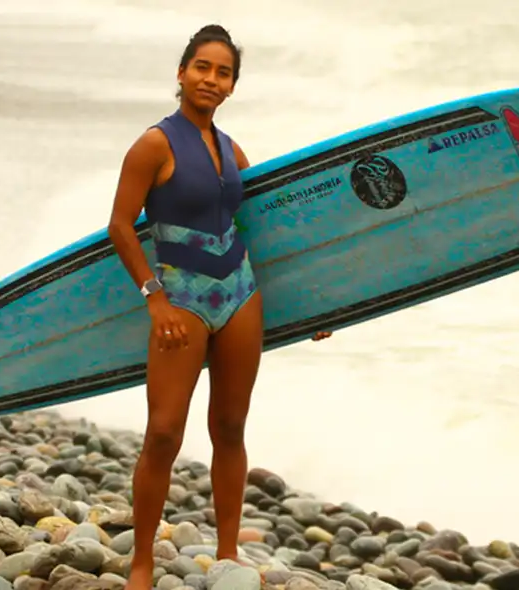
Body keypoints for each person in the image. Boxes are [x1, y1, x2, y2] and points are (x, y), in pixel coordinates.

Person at [107, 23, 332, 589]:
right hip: (179, 296)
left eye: (223, 72)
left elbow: (266, 232)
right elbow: (120, 227)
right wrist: (154, 301)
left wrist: (314, 310)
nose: (211, 79)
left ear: (233, 85)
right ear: (182, 72)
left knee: (230, 426)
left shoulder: (233, 151)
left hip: (240, 293)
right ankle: (141, 562)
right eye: (202, 67)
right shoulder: (154, 144)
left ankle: (229, 552)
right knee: (163, 432)